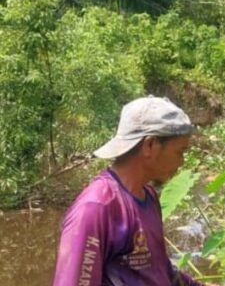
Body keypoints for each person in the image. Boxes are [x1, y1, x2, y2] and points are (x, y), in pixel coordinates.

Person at [52, 95, 203, 286]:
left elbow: (160, 270)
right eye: (179, 152)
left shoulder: (148, 196)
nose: (182, 162)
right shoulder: (97, 207)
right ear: (150, 145)